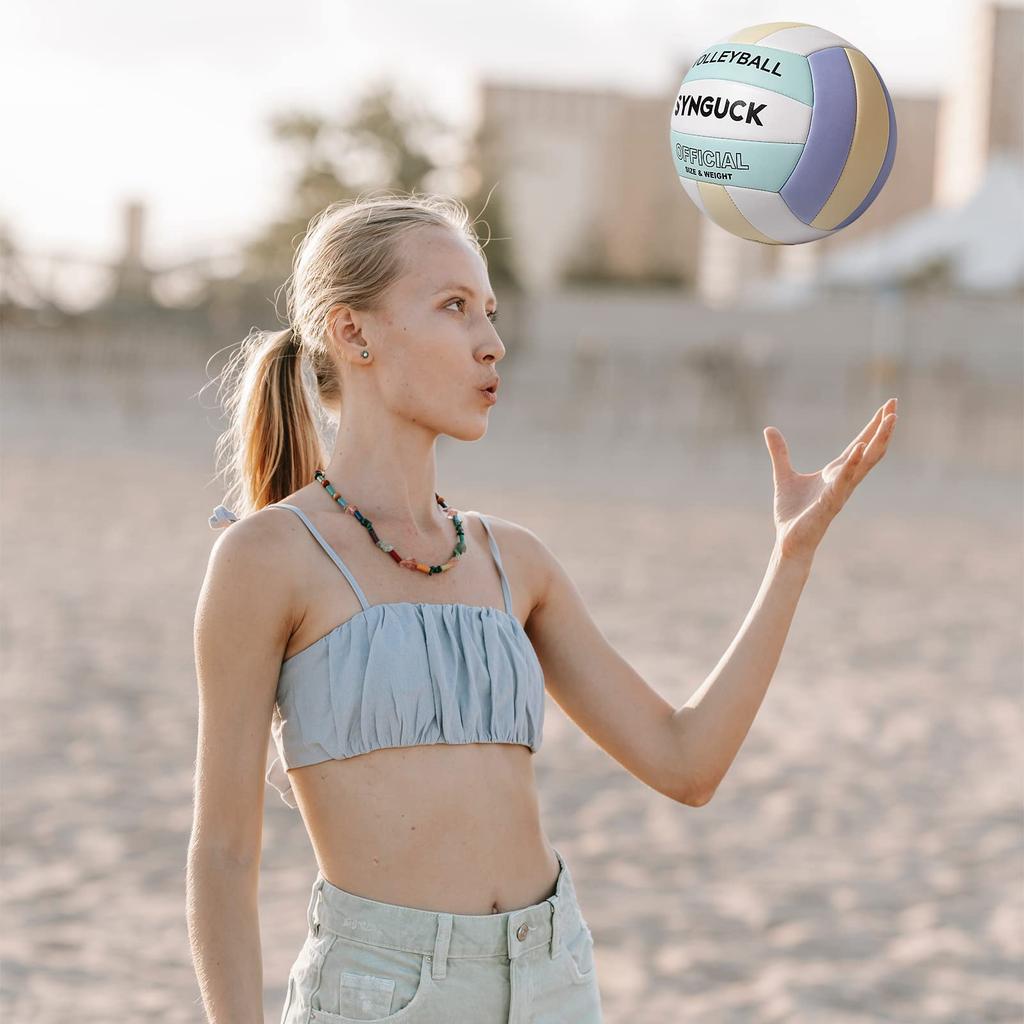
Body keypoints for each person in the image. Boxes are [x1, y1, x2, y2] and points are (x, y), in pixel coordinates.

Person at [186, 191, 897, 1024]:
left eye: (489, 311)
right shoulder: (266, 557)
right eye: (453, 308)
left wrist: (790, 557)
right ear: (354, 332)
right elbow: (224, 854)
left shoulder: (511, 559)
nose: (491, 343)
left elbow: (686, 762)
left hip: (555, 980)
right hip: (382, 994)